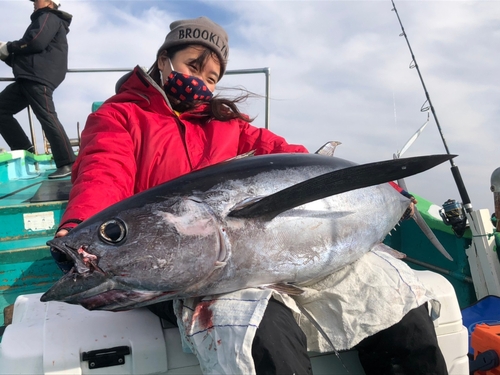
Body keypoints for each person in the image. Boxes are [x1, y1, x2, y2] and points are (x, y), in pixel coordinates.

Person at [51, 16, 447, 375]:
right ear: (163, 59)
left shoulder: (230, 127)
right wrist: (81, 227)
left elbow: (296, 162)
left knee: (398, 307)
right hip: (194, 272)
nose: (201, 82)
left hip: (274, 253)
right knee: (264, 335)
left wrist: (378, 184)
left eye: (211, 77)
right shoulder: (121, 116)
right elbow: (105, 171)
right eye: (192, 66)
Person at [0, 0, 76, 179]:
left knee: (47, 116)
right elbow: (31, 52)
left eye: (37, 0)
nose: (34, 3)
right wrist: (6, 55)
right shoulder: (46, 18)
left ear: (50, 2)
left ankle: (68, 162)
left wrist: (9, 47)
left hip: (37, 77)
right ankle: (24, 150)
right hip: (29, 76)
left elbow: (35, 42)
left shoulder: (48, 16)